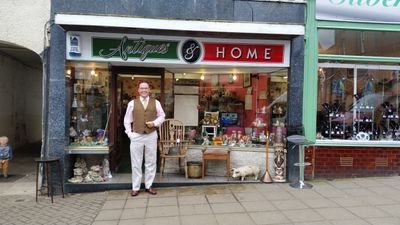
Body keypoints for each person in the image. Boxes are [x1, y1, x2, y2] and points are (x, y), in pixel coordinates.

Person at [123, 81, 165, 196]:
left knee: (151, 162)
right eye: (142, 88)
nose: (144, 90)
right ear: (138, 90)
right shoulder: (132, 103)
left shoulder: (156, 102)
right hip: (136, 135)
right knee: (136, 162)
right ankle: (135, 187)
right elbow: (127, 120)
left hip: (151, 135)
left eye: (146, 88)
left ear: (149, 90)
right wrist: (129, 134)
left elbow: (162, 116)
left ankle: (149, 186)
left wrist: (155, 123)